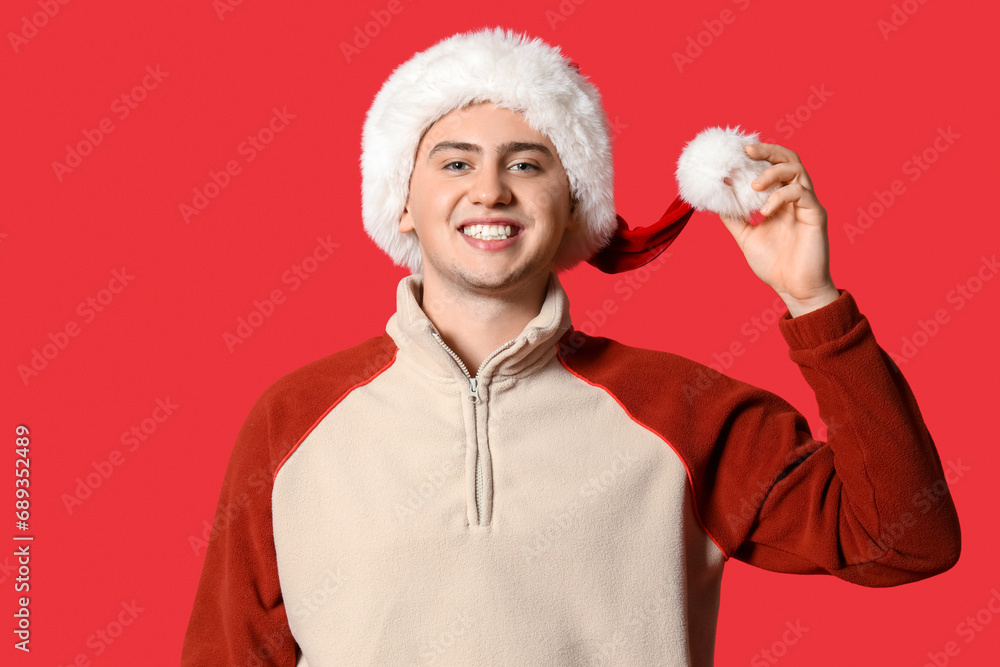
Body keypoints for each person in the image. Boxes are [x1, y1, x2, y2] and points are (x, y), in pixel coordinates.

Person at [181, 26, 961, 666]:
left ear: (574, 205)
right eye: (455, 162)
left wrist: (811, 300)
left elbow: (903, 538)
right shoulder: (295, 418)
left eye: (527, 163)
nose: (489, 191)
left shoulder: (679, 412)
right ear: (404, 203)